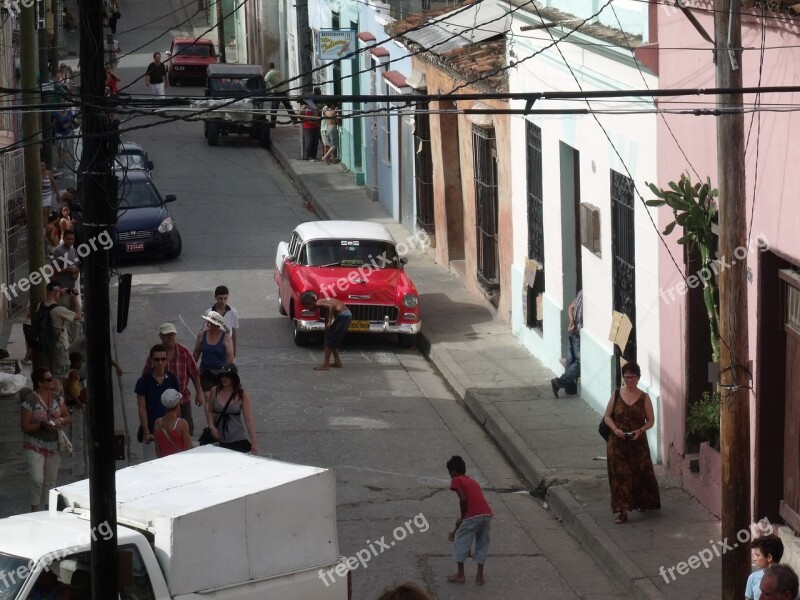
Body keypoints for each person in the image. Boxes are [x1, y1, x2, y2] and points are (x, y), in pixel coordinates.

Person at [602, 361, 660, 524]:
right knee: (620, 476)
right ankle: (622, 511)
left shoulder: (644, 398)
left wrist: (640, 431)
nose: (629, 380)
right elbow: (607, 416)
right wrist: (615, 429)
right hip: (617, 442)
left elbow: (651, 420)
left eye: (632, 377)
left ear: (638, 378)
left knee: (640, 474)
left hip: (637, 442)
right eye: (626, 377)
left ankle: (642, 502)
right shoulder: (616, 395)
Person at [21, 367, 71, 511]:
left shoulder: (56, 397)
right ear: (39, 383)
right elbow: (25, 426)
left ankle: (50, 510)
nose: (53, 381)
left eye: (52, 378)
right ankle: (34, 511)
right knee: (37, 480)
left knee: (50, 481)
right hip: (34, 445)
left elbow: (68, 417)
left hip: (54, 445)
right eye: (49, 379)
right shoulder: (31, 400)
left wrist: (61, 420)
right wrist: (40, 425)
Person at [142, 323, 203, 435]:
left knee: (186, 428)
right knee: (160, 430)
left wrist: (199, 393)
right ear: (161, 336)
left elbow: (194, 373)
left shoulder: (184, 351)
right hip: (160, 401)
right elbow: (145, 376)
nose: (170, 337)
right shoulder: (156, 354)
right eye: (167, 335)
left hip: (182, 399)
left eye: (172, 334)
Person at [445, 455, 492, 586]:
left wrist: (462, 517)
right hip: (486, 514)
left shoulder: (456, 480)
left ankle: (460, 574)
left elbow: (463, 499)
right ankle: (480, 576)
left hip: (472, 516)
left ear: (453, 472)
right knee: (482, 543)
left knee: (461, 541)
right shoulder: (473, 482)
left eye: (450, 473)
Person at [135, 344, 180, 461]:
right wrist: (146, 432)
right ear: (151, 360)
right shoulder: (143, 381)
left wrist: (178, 427)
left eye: (163, 359)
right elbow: (142, 408)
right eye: (156, 359)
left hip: (170, 431)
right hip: (152, 432)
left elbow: (177, 405)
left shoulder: (172, 379)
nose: (160, 362)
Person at [203, 363, 258, 453]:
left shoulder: (241, 394)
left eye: (227, 376)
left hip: (237, 437)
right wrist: (211, 426)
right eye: (222, 375)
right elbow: (210, 411)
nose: (224, 378)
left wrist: (254, 442)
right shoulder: (214, 391)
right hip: (219, 439)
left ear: (233, 377)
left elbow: (248, 419)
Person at [40, 281, 82, 394]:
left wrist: (59, 295)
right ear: (56, 292)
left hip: (46, 346)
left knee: (50, 374)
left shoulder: (41, 305)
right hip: (59, 347)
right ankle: (57, 405)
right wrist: (74, 298)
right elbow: (78, 315)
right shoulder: (58, 310)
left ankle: (51, 401)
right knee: (57, 377)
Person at [301, 293, 351, 370]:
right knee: (331, 338)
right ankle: (337, 362)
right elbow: (326, 317)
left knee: (330, 341)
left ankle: (325, 364)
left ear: (310, 303)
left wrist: (330, 322)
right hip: (344, 315)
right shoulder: (321, 304)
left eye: (307, 307)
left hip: (344, 316)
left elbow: (331, 307)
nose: (309, 309)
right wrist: (326, 332)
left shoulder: (318, 303)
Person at [192, 311, 234, 402]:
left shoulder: (225, 337)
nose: (208, 325)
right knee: (208, 396)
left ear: (217, 326)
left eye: (211, 323)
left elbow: (230, 356)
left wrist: (225, 370)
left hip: (220, 372)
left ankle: (218, 415)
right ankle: (210, 416)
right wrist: (191, 368)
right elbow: (196, 353)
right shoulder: (201, 335)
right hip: (205, 371)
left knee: (220, 397)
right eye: (208, 322)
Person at [551, 289, 583, 397]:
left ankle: (569, 388)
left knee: (570, 361)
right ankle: (559, 382)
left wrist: (572, 321)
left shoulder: (580, 293)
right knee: (580, 363)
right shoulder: (587, 297)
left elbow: (570, 308)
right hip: (578, 333)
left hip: (572, 330)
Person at [153, 389, 192, 457]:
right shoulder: (182, 423)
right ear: (177, 404)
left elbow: (157, 449)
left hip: (164, 462)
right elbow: (189, 448)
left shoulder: (157, 423)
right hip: (179, 462)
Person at [202, 285, 240, 357]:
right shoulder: (208, 312)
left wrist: (234, 347)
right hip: (212, 345)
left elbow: (233, 330)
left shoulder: (233, 312)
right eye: (220, 298)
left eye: (225, 298)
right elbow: (205, 330)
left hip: (227, 344)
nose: (223, 301)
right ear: (215, 297)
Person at [747, 535, 786, 600]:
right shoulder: (753, 578)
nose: (754, 559)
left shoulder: (788, 580)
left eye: (757, 555)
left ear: (769, 557)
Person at [299, 96, 321, 161]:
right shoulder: (305, 107)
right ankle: (309, 156)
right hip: (308, 127)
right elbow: (300, 116)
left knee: (315, 142)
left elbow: (318, 116)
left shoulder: (315, 107)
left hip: (316, 127)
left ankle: (314, 156)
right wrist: (304, 108)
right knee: (309, 142)